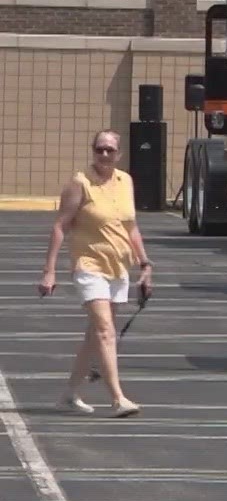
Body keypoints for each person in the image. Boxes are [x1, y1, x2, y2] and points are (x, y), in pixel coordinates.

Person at [36, 129, 149, 416]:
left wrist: (145, 263)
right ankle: (117, 398)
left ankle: (69, 395)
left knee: (93, 337)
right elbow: (60, 226)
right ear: (93, 151)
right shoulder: (80, 183)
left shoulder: (126, 182)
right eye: (100, 149)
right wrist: (49, 271)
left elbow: (130, 227)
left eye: (110, 150)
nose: (104, 155)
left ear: (119, 154)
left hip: (118, 267)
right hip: (89, 265)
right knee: (105, 331)